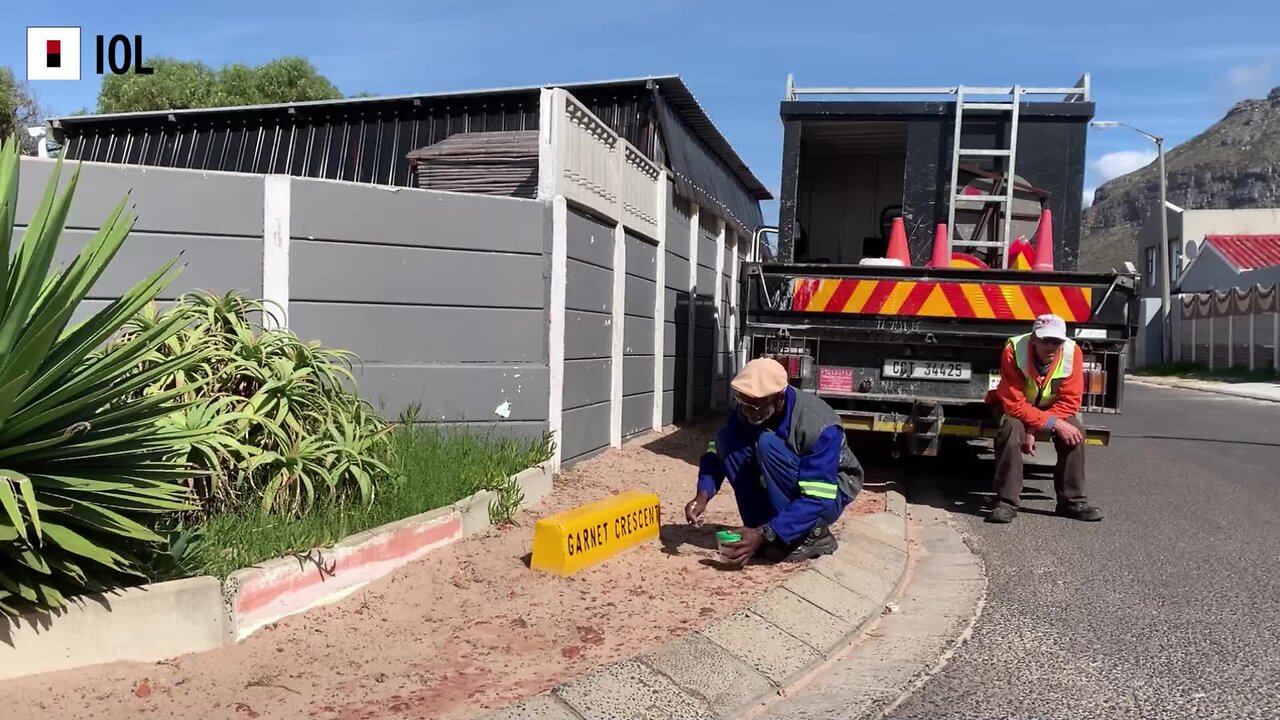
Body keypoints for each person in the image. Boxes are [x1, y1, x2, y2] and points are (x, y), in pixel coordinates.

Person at [684, 357, 864, 566]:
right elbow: (718, 451)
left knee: (767, 444)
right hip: (804, 487)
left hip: (829, 495)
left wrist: (766, 534)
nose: (745, 411)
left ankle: (811, 533)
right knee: (726, 439)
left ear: (779, 398)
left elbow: (818, 497)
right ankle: (761, 527)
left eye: (753, 404)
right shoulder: (749, 408)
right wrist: (703, 493)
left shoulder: (821, 427)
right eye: (741, 402)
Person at [987, 313, 1103, 524]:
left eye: (1056, 341)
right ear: (1033, 339)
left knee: (1074, 431)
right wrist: (1049, 423)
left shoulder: (1072, 352)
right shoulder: (1014, 349)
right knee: (1011, 429)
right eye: (1044, 340)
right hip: (1014, 408)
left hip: (1052, 408)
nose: (1050, 346)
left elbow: (1070, 401)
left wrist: (1036, 428)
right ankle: (1005, 502)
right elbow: (1014, 403)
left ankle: (1072, 501)